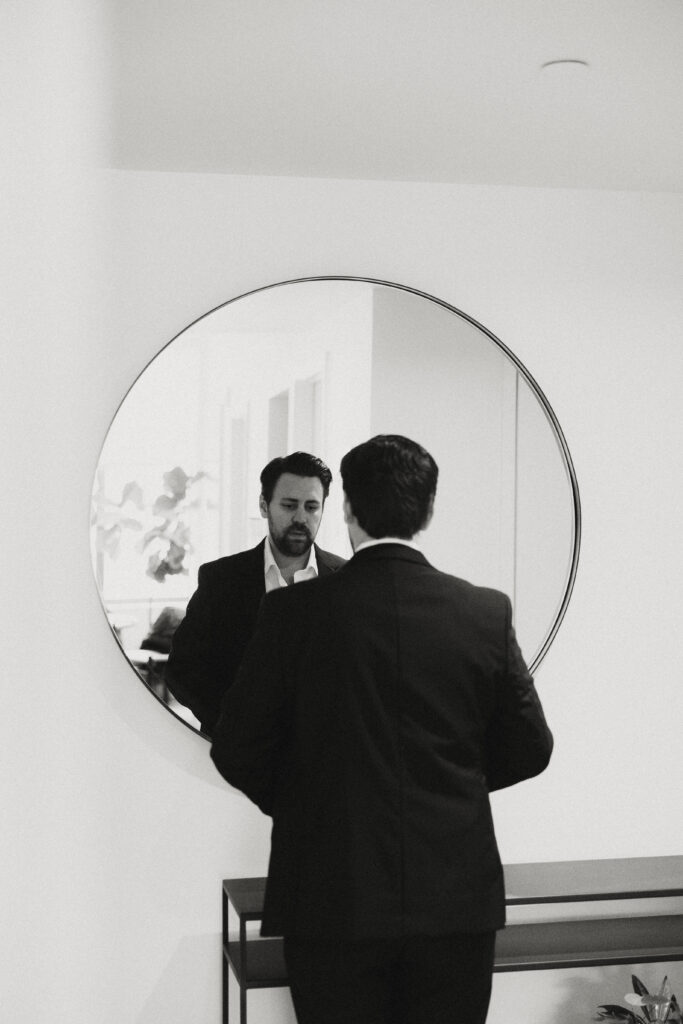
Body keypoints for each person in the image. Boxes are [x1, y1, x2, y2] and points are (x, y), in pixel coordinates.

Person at [210, 434, 553, 1024]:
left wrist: (308, 800)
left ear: (346, 510)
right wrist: (449, 786)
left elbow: (236, 748)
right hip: (454, 900)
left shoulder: (293, 613)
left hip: (329, 892)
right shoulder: (483, 612)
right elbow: (530, 747)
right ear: (428, 511)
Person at [166, 451, 346, 737]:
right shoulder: (221, 580)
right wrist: (232, 721)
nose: (301, 517)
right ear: (264, 505)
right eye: (289, 505)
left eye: (312, 507)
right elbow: (183, 669)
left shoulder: (349, 580)